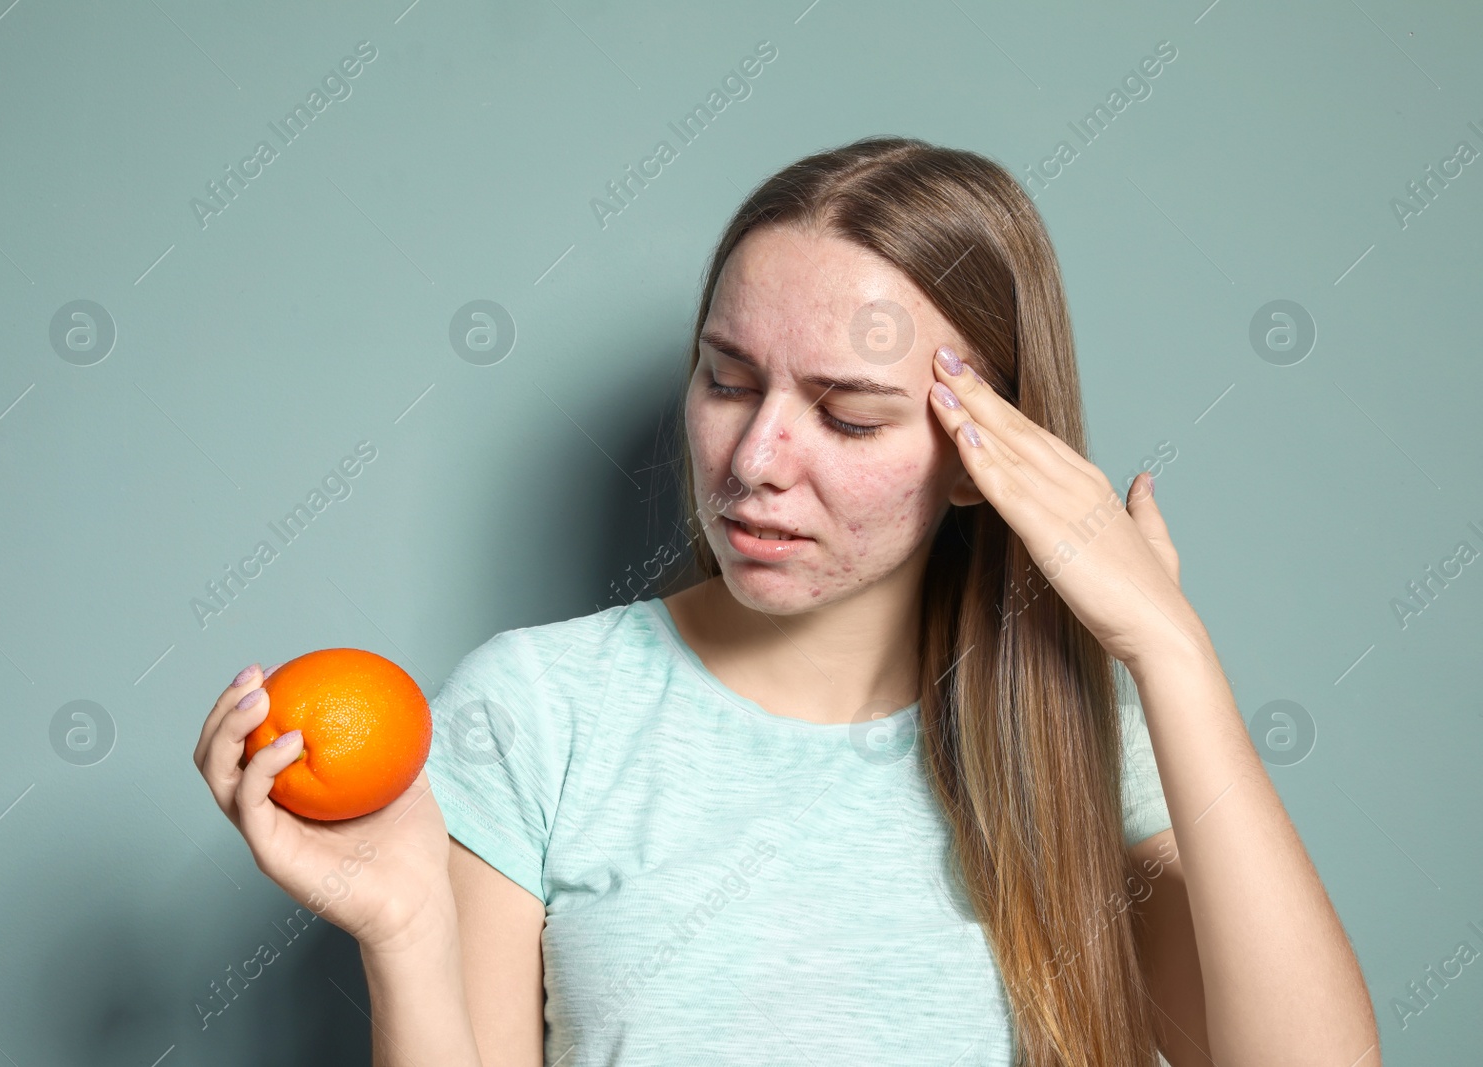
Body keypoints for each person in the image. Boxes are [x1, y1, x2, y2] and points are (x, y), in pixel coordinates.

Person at [194, 136, 1378, 1066]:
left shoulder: (1072, 728)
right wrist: (405, 936)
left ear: (983, 454)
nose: (755, 455)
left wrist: (1168, 647)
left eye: (848, 413)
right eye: (725, 379)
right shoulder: (538, 709)